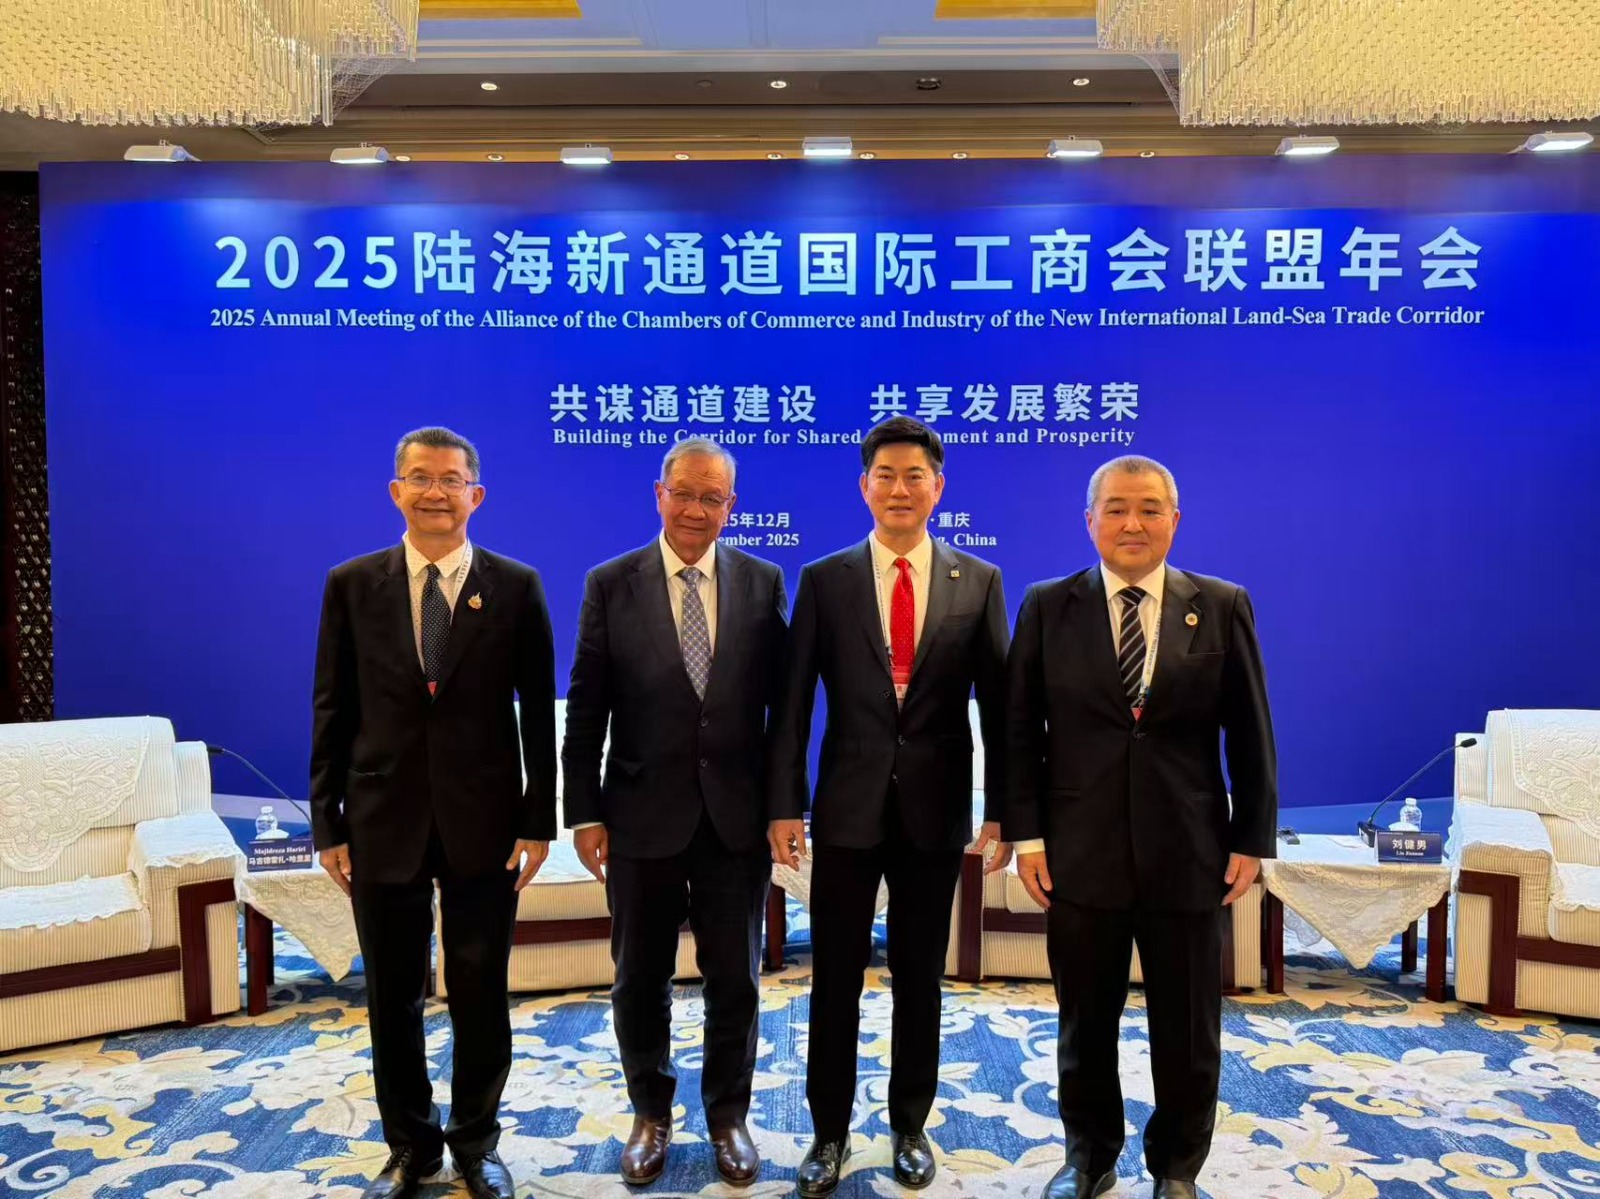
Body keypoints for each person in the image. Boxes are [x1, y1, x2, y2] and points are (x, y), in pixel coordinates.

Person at [1005, 455, 1277, 1199]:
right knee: (1083, 1020)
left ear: (1174, 520)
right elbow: (1020, 730)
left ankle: (1177, 1166)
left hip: (1189, 850)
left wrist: (1251, 837)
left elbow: (1251, 732)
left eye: (1150, 508)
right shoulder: (1047, 605)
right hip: (1077, 850)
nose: (1133, 523)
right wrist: (1029, 837)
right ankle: (1088, 1157)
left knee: (1188, 1025)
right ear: (1089, 520)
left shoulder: (1220, 603)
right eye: (1117, 508)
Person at [310, 427, 556, 1199]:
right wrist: (327, 822)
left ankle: (477, 1142)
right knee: (393, 994)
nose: (435, 492)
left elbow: (536, 712)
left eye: (451, 479)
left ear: (475, 495)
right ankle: (412, 1148)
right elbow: (331, 707)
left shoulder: (515, 586)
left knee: (481, 988)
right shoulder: (352, 584)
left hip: (485, 821)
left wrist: (538, 819)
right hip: (381, 818)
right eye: (420, 477)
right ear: (397, 491)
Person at [767, 415, 1010, 1197]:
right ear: (864, 486)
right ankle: (828, 1132)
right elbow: (792, 704)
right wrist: (784, 803)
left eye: (915, 476)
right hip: (846, 808)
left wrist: (1005, 808)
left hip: (935, 813)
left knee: (919, 975)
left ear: (938, 487)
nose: (900, 488)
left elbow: (1001, 705)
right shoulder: (826, 578)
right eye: (886, 475)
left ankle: (910, 1124)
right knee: (835, 976)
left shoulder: (978, 580)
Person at [562, 437, 788, 1187]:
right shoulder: (610, 583)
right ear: (659, 494)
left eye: (711, 497)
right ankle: (650, 1113)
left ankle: (728, 1116)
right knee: (639, 979)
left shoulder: (763, 581)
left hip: (735, 819)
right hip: (638, 815)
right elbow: (586, 706)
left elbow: (784, 711)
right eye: (683, 493)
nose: (696, 509)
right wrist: (584, 812)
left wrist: (784, 805)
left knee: (737, 980)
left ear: (732, 506)